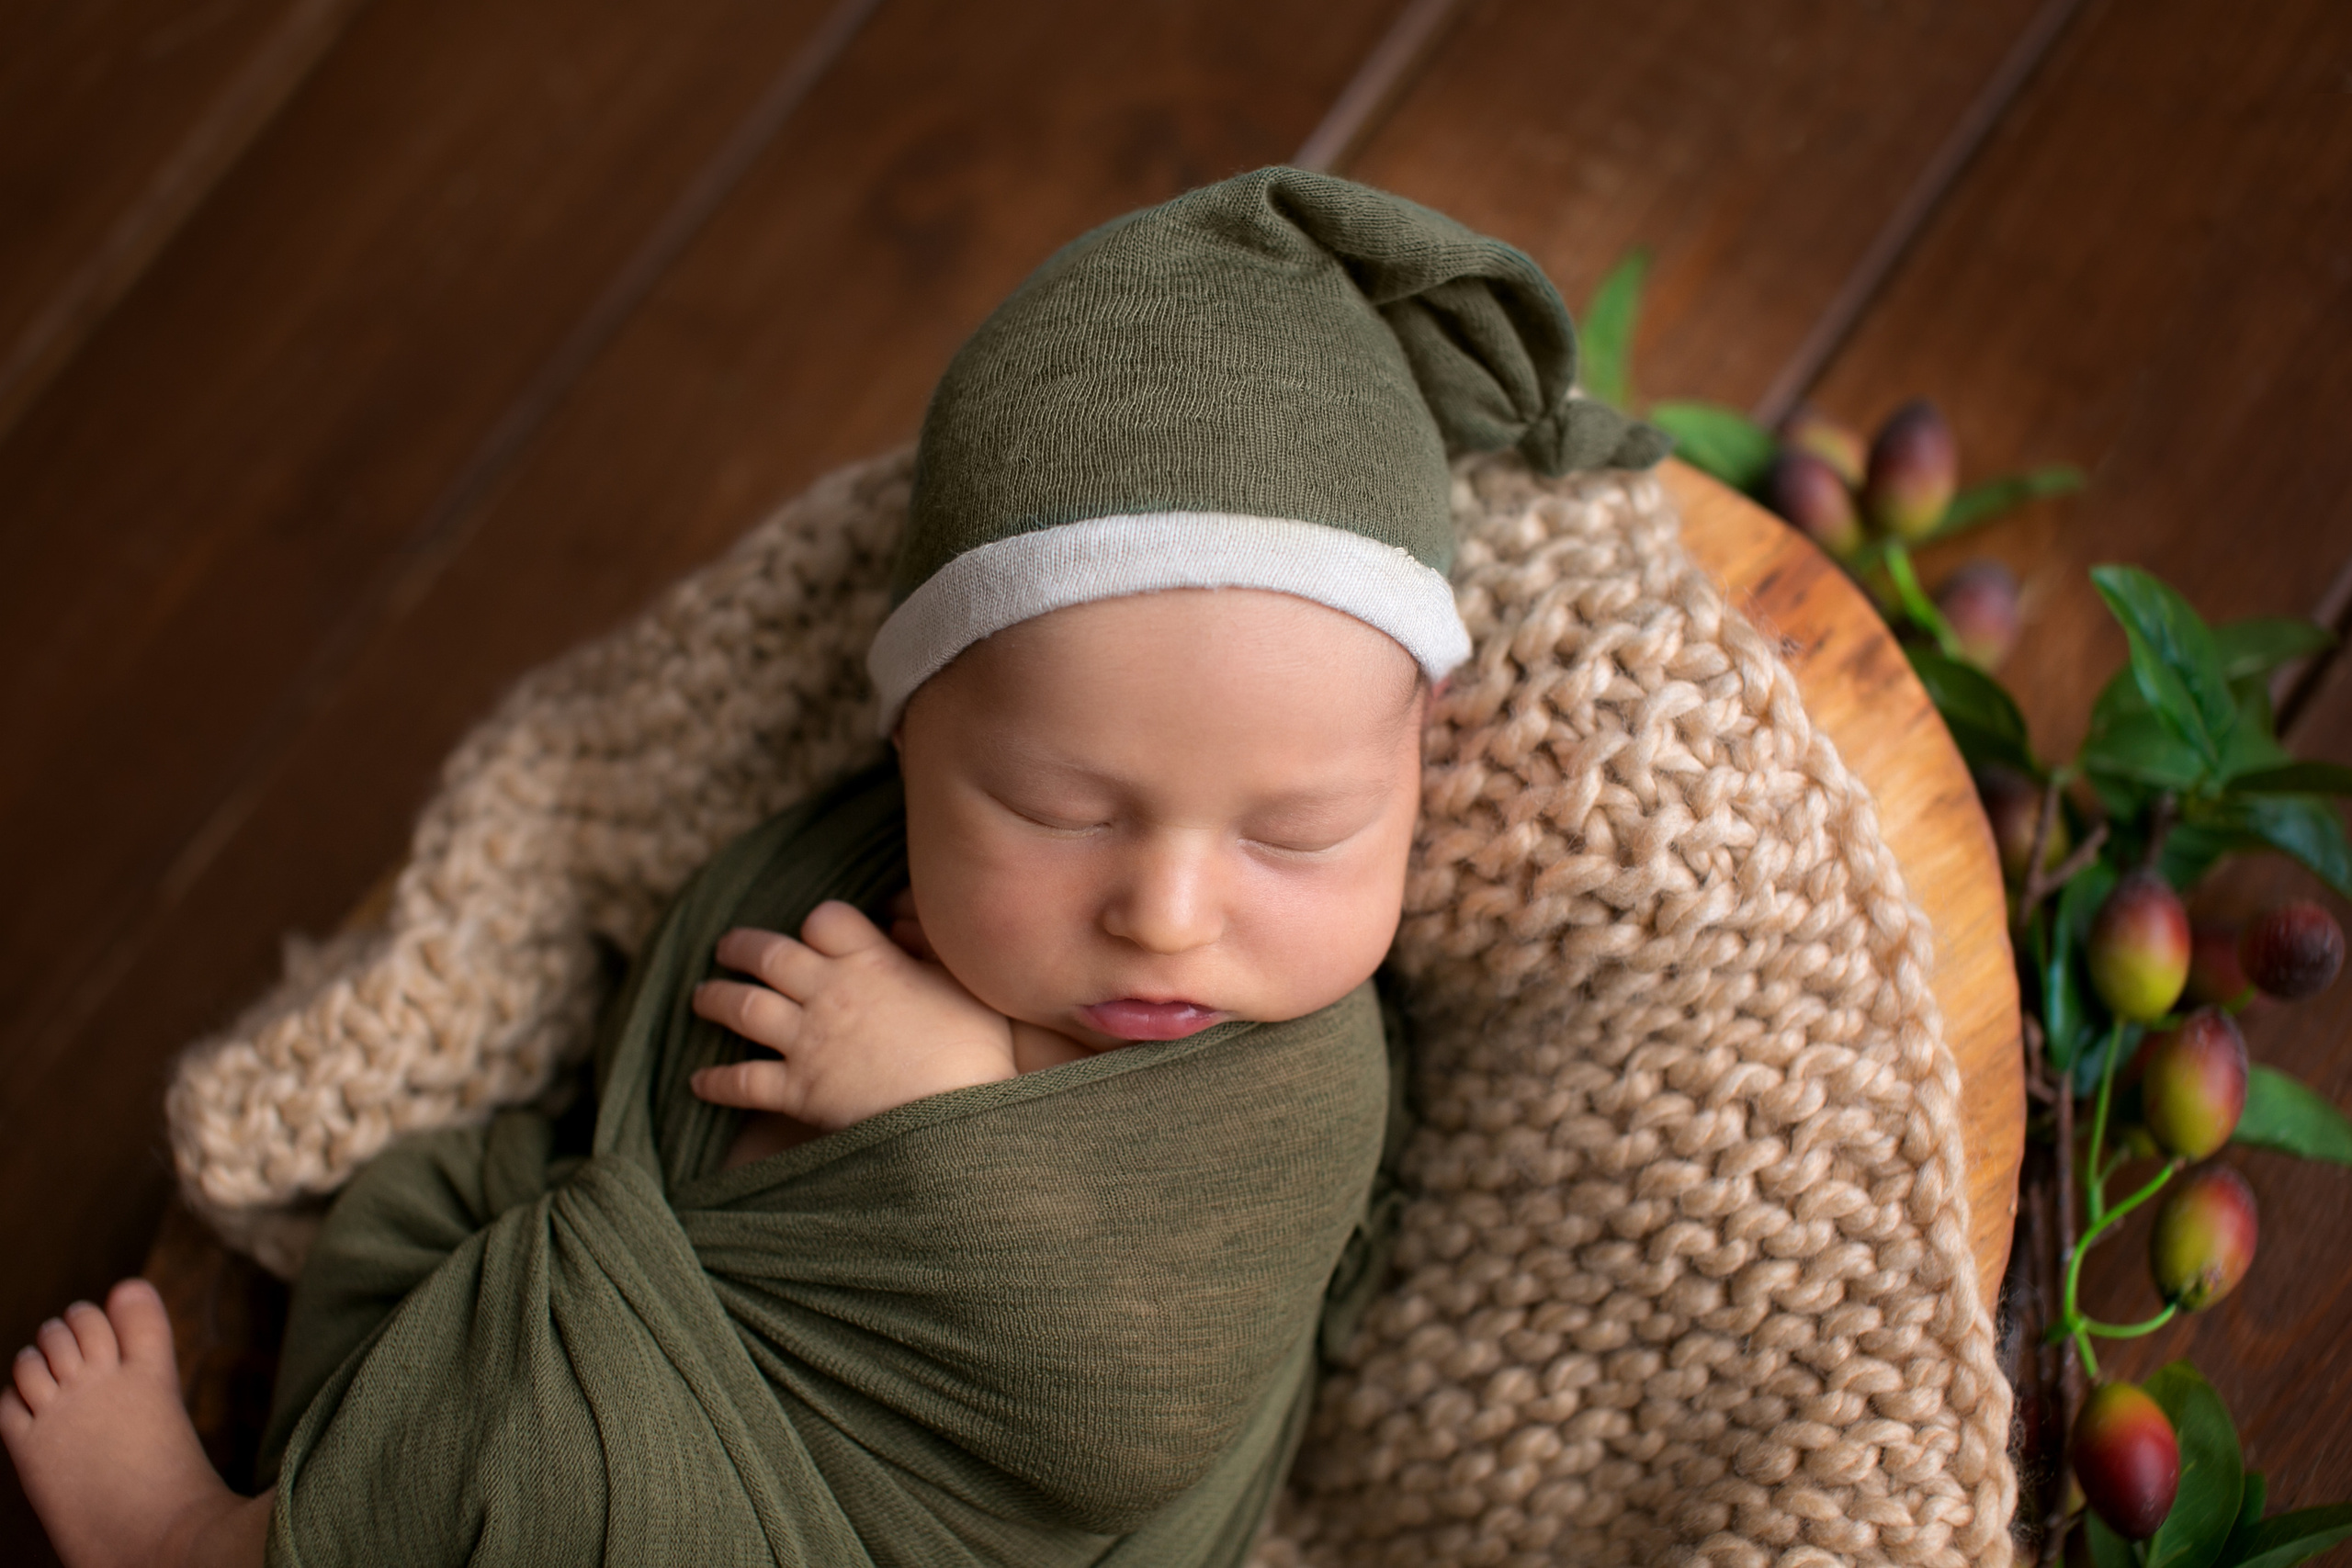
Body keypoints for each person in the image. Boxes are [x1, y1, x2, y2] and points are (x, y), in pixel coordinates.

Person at [4, 166, 1661, 1568]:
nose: (1165, 913)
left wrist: (952, 1097)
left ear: (1417, 755)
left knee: (542, 1421)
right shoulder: (849, 856)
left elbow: (1127, 1405)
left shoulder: (1304, 1083)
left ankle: (204, 1549)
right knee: (433, 1234)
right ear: (913, 730)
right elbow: (651, 1060)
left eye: (1297, 833)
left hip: (896, 1522)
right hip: (681, 1308)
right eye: (1058, 809)